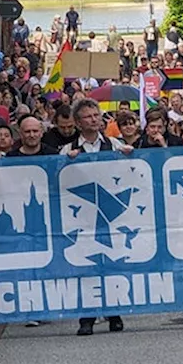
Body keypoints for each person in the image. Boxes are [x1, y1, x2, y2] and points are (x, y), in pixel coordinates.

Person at [61, 99, 130, 336]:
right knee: (87, 265)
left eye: (96, 115)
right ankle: (87, 317)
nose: (94, 119)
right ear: (78, 123)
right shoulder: (68, 149)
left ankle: (114, 313)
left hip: (109, 215)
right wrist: (65, 162)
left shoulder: (114, 144)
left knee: (111, 263)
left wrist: (129, 157)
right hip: (83, 217)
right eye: (88, 116)